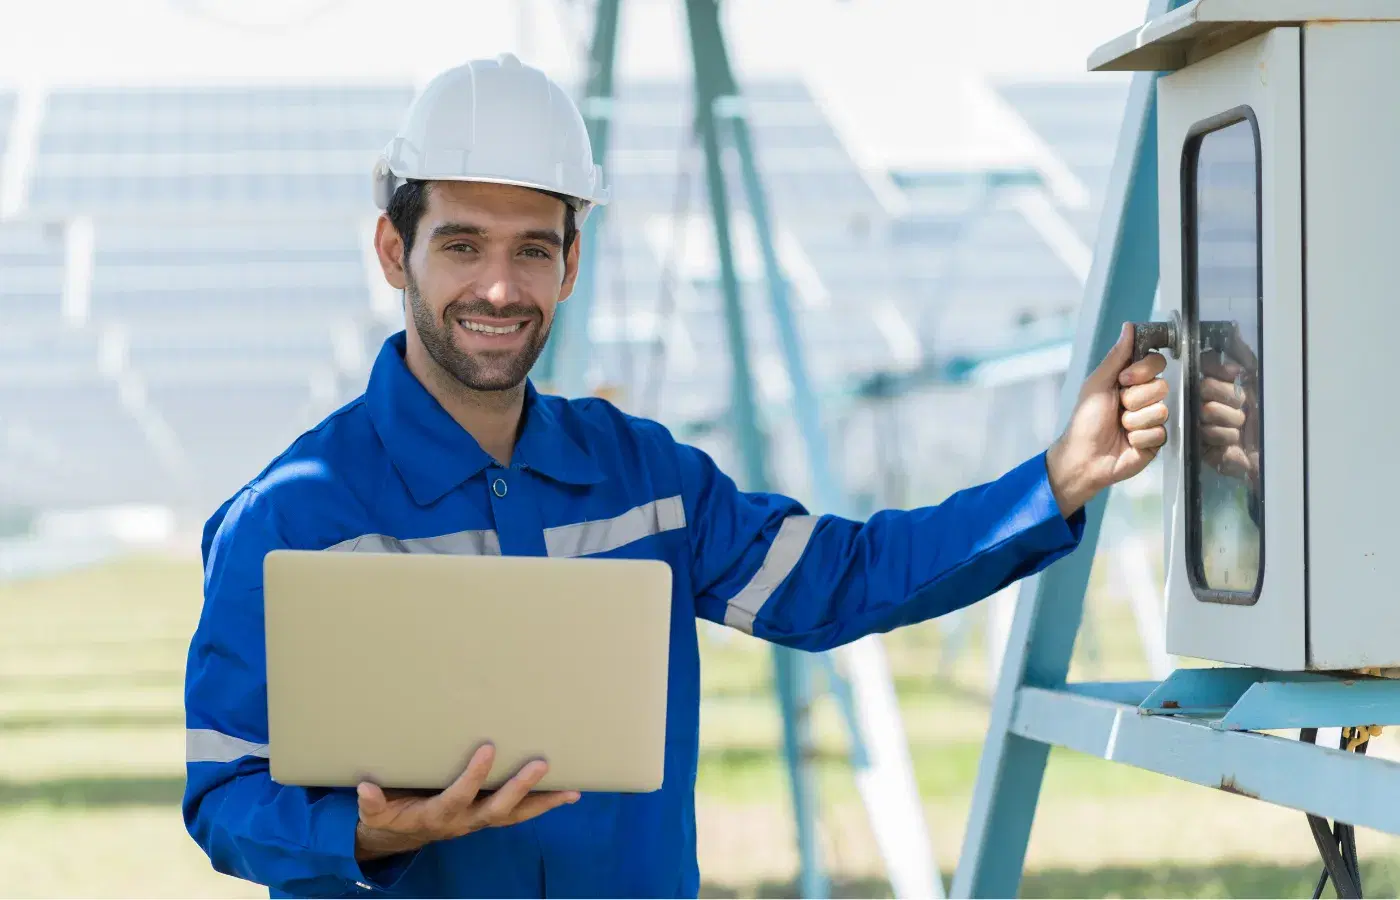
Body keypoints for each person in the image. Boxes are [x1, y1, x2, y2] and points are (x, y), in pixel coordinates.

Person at [182, 54, 1170, 899]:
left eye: (532, 249)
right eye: (461, 245)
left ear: (571, 264)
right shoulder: (290, 515)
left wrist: (1057, 476)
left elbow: (835, 579)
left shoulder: (641, 475)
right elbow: (223, 793)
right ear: (393, 250)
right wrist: (369, 835)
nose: (497, 286)